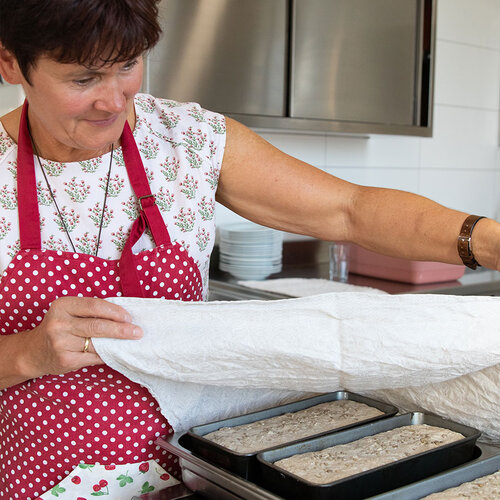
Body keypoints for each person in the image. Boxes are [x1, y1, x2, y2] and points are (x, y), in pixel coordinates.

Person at [0, 1, 499, 498]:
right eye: (83, 79)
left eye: (128, 65)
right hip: (44, 476)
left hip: (205, 466)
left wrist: (489, 241)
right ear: (11, 63)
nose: (114, 101)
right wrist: (27, 353)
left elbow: (349, 209)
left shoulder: (187, 141)